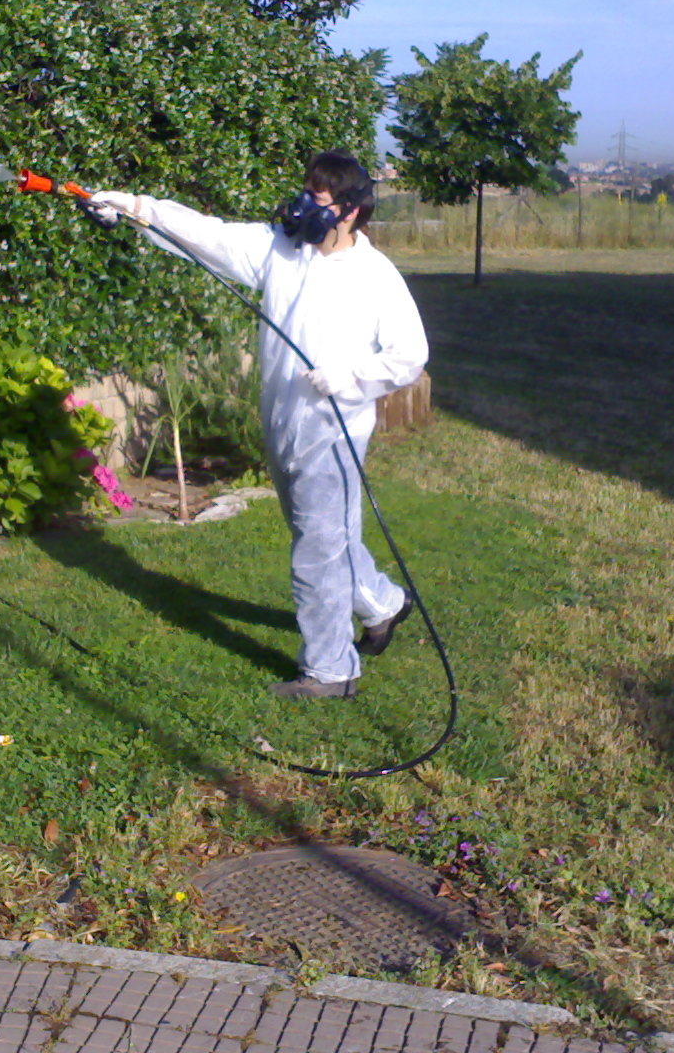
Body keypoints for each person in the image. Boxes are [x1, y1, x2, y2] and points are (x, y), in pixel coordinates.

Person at [86, 151, 429, 699]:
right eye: (304, 194)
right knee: (323, 531)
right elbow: (209, 236)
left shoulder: (375, 276)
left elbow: (410, 354)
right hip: (282, 416)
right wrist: (134, 208)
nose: (301, 208)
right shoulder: (282, 249)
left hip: (334, 427)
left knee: (318, 545)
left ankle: (330, 669)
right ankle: (384, 603)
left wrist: (348, 376)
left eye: (315, 201)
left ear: (349, 211)